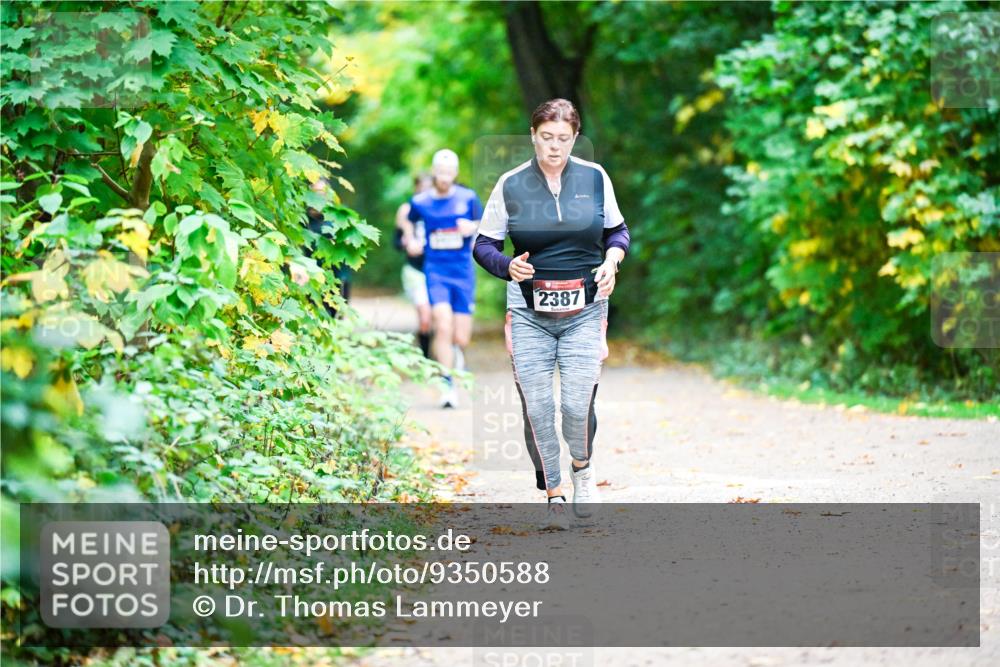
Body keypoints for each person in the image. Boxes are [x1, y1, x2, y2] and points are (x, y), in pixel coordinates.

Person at [473, 99, 630, 529]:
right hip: (527, 311)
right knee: (538, 407)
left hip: (585, 306)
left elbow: (617, 231)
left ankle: (583, 468)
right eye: (546, 138)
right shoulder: (510, 184)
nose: (554, 147)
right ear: (533, 136)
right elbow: (483, 245)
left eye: (563, 139)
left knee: (577, 405)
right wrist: (508, 266)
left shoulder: (595, 178)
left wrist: (611, 261)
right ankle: (554, 494)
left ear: (575, 138)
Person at [408, 149, 483, 408]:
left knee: (461, 337)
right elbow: (408, 222)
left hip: (462, 271)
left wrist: (471, 228)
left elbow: (484, 224)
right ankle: (447, 384)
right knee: (442, 324)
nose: (444, 178)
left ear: (456, 173)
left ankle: (454, 356)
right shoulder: (421, 202)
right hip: (435, 270)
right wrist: (413, 239)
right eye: (440, 173)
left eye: (449, 173)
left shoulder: (468, 198)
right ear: (434, 172)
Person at [394, 173, 434, 358]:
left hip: (439, 269)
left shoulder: (439, 208)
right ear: (416, 188)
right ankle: (426, 358)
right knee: (425, 317)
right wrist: (407, 243)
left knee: (438, 317)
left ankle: (440, 355)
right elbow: (395, 242)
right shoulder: (406, 210)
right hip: (415, 270)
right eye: (422, 188)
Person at [299, 178, 352, 316]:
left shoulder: (339, 215)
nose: (319, 195)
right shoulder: (302, 219)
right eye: (315, 191)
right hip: (310, 277)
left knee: (336, 317)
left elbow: (352, 243)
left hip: (338, 277)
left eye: (322, 192)